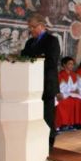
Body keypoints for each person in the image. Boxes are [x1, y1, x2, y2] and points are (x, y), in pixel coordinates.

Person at [21, 13, 60, 149]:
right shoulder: (29, 42)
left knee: (47, 115)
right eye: (29, 27)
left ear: (42, 26)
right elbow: (24, 58)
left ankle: (49, 142)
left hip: (46, 84)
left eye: (33, 27)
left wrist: (35, 60)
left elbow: (52, 61)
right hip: (30, 85)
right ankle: (35, 141)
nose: (31, 30)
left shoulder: (52, 41)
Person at [56, 56, 81, 130]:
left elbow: (78, 86)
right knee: (72, 102)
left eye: (72, 64)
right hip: (66, 94)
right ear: (64, 65)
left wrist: (77, 90)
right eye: (69, 64)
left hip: (75, 93)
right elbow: (61, 88)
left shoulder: (74, 74)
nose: (72, 66)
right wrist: (72, 91)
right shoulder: (60, 75)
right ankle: (65, 124)